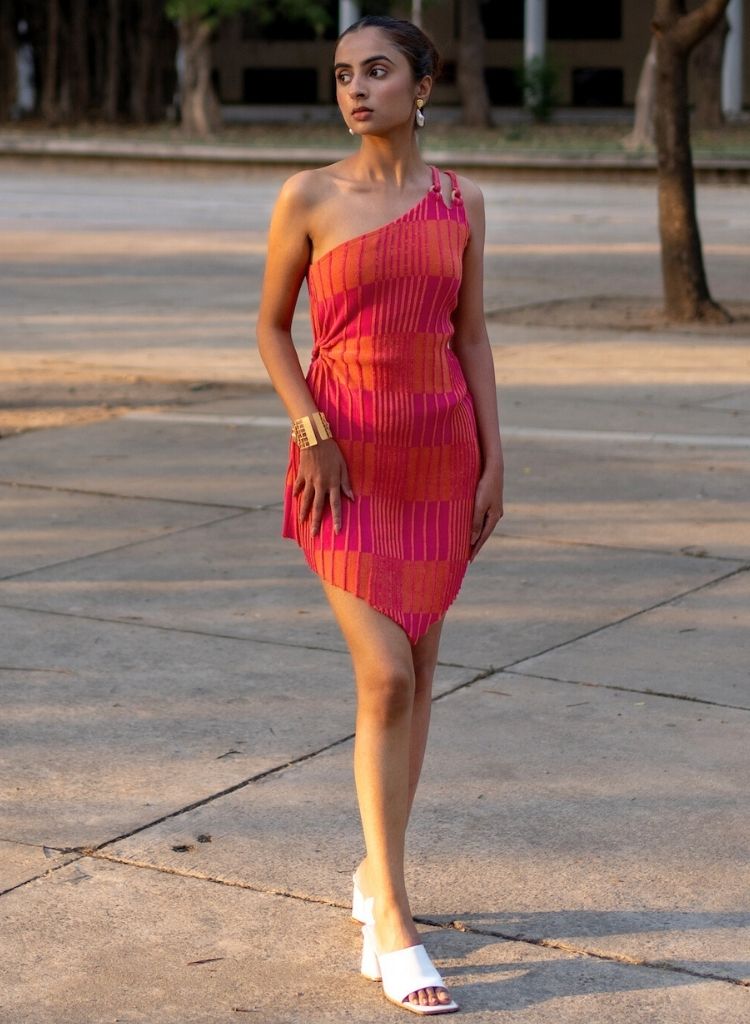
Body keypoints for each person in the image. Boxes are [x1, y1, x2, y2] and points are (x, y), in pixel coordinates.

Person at [256, 15, 503, 1016]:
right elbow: (271, 327)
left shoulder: (463, 202)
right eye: (342, 75)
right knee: (387, 676)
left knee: (422, 676)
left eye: (377, 71)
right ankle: (392, 916)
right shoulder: (310, 195)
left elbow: (471, 336)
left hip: (439, 454)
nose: (355, 89)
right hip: (342, 462)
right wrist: (312, 429)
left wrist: (495, 459)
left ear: (423, 85)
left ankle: (375, 872)